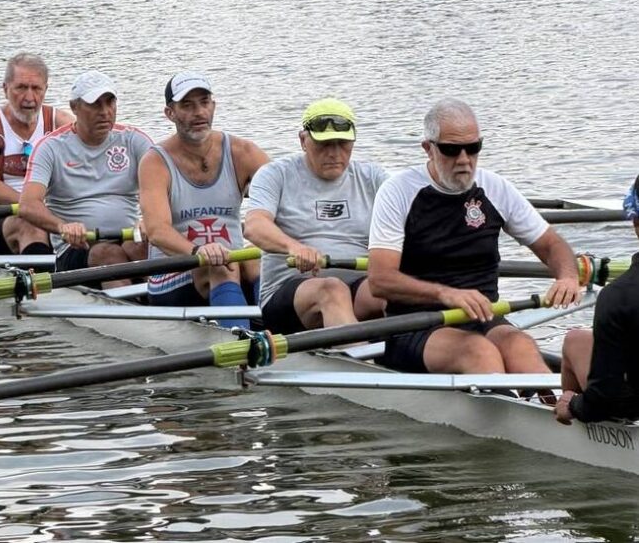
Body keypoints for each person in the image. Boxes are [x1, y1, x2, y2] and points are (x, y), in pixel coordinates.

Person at [367, 97, 581, 377]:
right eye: (451, 150)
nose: (464, 160)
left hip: (483, 316)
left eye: (473, 148)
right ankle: (507, 409)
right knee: (479, 352)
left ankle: (551, 409)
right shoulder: (398, 192)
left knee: (522, 346)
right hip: (415, 324)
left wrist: (567, 276)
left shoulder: (495, 188)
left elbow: (552, 244)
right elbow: (380, 280)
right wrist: (446, 294)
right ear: (428, 149)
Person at [245, 97, 387, 335]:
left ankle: (410, 356)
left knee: (393, 292)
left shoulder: (372, 177)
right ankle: (362, 365)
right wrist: (293, 247)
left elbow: (414, 219)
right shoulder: (275, 175)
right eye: (324, 144)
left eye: (342, 144)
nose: (334, 153)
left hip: (358, 288)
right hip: (290, 295)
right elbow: (254, 226)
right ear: (303, 140)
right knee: (332, 289)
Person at [139, 71, 268, 329]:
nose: (199, 112)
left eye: (204, 102)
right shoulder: (154, 162)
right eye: (187, 105)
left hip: (231, 262)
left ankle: (276, 327)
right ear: (170, 113)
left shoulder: (244, 152)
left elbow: (284, 204)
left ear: (213, 106)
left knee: (255, 259)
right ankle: (242, 343)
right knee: (222, 265)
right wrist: (199, 251)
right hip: (173, 272)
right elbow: (157, 231)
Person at [19, 70, 151, 288]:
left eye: (110, 103)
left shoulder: (134, 140)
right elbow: (28, 204)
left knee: (142, 247)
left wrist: (150, 219)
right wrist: (62, 227)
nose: (105, 112)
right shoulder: (50, 147)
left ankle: (164, 298)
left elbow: (169, 188)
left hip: (128, 237)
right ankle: (137, 311)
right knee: (106, 253)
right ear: (74, 108)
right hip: (77, 248)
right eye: (95, 104)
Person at [0, 53, 74, 255]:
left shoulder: (63, 123)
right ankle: (44, 282)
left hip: (48, 215)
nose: (29, 97)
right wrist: (36, 210)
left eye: (36, 89)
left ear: (46, 89)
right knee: (30, 225)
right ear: (5, 89)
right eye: (21, 88)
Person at [555, 182, 639, 424]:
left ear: (635, 222)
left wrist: (574, 404)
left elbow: (604, 400)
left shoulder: (619, 296)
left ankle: (563, 420)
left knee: (574, 340)